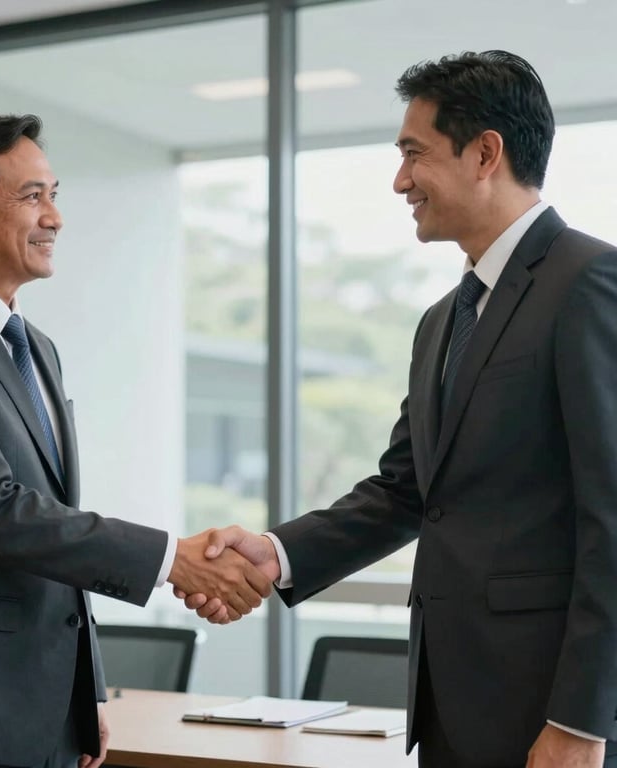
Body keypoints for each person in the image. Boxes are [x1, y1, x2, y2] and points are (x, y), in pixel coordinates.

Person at [181, 50, 617, 767]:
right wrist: (277, 554)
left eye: (414, 155)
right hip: (450, 707)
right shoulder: (443, 320)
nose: (399, 181)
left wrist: (581, 722)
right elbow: (407, 492)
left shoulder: (591, 283)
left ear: (485, 153)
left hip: (551, 716)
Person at [0, 110, 271, 768]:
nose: (56, 217)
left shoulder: (34, 347)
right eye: (32, 197)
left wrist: (84, 694)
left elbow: (55, 524)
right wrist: (170, 560)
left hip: (41, 710)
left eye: (55, 195)